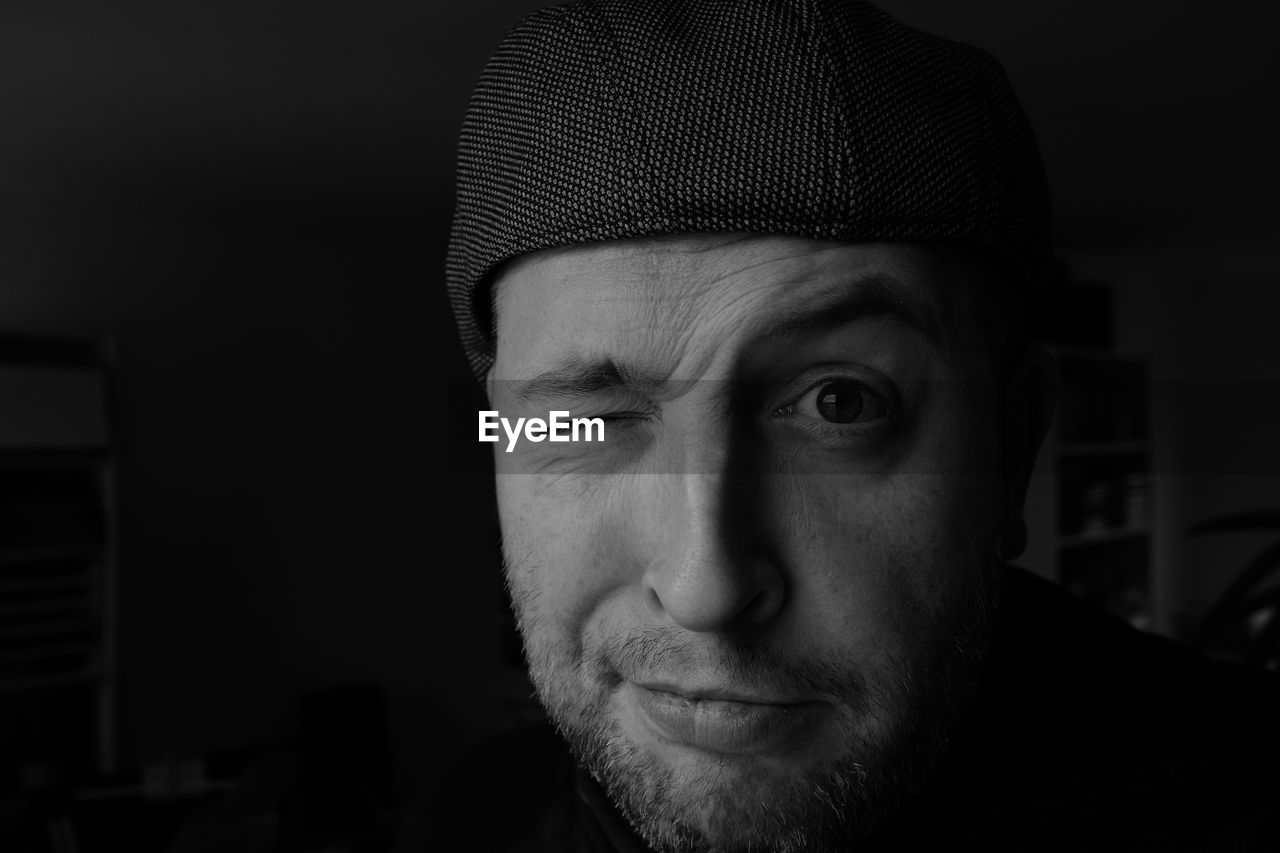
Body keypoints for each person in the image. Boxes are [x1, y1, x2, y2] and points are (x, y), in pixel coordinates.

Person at [405, 0, 1280, 850]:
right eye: (582, 418)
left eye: (840, 403)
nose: (706, 590)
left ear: (1012, 447)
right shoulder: (472, 812)